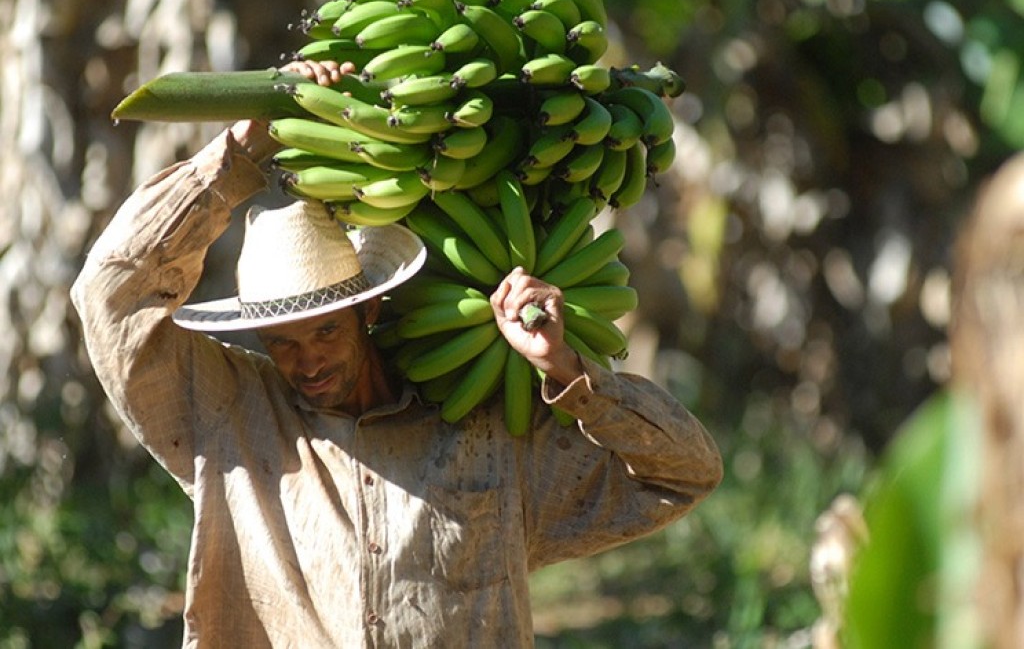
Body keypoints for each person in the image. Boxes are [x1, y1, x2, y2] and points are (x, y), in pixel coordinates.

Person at [71, 58, 723, 648]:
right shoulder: (232, 421)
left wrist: (566, 369)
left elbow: (685, 473)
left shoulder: (486, 440)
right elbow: (107, 292)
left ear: (370, 310)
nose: (307, 361)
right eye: (283, 343)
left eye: (326, 332)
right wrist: (241, 152)